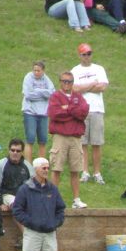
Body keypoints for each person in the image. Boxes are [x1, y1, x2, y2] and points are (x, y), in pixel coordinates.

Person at [12, 157, 66, 251]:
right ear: (36, 169)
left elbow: (60, 209)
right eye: (44, 168)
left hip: (49, 232)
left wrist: (55, 223)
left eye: (48, 168)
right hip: (32, 231)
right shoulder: (25, 188)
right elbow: (17, 210)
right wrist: (30, 223)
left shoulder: (52, 188)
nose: (46, 170)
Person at [48, 71, 90, 209]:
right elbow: (55, 114)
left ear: (73, 83)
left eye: (70, 81)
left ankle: (76, 199)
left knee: (75, 169)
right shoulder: (55, 96)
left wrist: (68, 108)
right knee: (56, 168)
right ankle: (53, 199)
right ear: (60, 81)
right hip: (60, 136)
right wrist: (73, 111)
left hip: (76, 138)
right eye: (64, 81)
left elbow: (83, 112)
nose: (67, 84)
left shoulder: (78, 96)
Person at [72, 44, 110, 186]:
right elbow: (74, 89)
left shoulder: (99, 69)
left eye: (89, 54)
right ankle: (85, 171)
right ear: (79, 55)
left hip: (97, 109)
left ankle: (97, 172)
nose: (87, 56)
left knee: (96, 143)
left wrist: (84, 87)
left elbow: (102, 87)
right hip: (81, 110)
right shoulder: (75, 70)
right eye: (84, 54)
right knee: (82, 143)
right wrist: (92, 84)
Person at [0, 138, 34, 248]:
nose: (15, 153)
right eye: (12, 150)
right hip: (6, 195)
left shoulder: (28, 166)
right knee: (16, 204)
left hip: (24, 195)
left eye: (18, 151)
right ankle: (27, 236)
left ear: (22, 152)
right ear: (9, 150)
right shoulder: (0, 165)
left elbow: (32, 186)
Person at [21, 61, 56, 163]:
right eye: (34, 70)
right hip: (30, 112)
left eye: (38, 70)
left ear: (43, 71)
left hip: (43, 113)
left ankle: (41, 164)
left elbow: (52, 93)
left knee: (43, 140)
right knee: (30, 139)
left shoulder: (46, 79)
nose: (36, 72)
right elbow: (28, 95)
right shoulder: (28, 77)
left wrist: (37, 91)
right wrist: (44, 93)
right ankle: (28, 164)